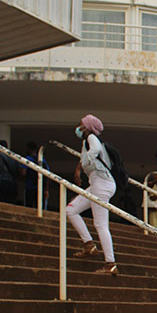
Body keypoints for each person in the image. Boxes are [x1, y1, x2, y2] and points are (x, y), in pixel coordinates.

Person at [67, 114, 117, 275]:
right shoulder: (86, 142)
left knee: (101, 224)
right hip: (96, 184)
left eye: (80, 124)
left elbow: (94, 151)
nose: (78, 127)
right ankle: (88, 244)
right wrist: (79, 168)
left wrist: (84, 163)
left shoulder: (92, 139)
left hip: (102, 184)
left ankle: (110, 263)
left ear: (87, 127)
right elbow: (88, 155)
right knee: (71, 210)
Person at [21, 141, 49, 209]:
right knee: (40, 208)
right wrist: (46, 190)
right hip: (41, 188)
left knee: (28, 208)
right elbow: (47, 175)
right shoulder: (42, 160)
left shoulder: (27, 159)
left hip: (29, 187)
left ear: (28, 149)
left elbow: (23, 173)